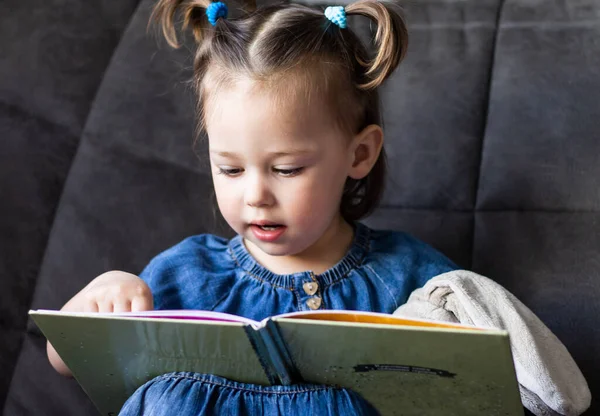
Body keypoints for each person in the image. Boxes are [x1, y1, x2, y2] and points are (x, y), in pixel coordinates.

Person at [45, 0, 506, 414]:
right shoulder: (187, 273)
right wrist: (98, 301)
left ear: (359, 155)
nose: (255, 195)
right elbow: (72, 362)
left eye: (286, 169)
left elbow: (481, 378)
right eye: (230, 169)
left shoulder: (408, 279)